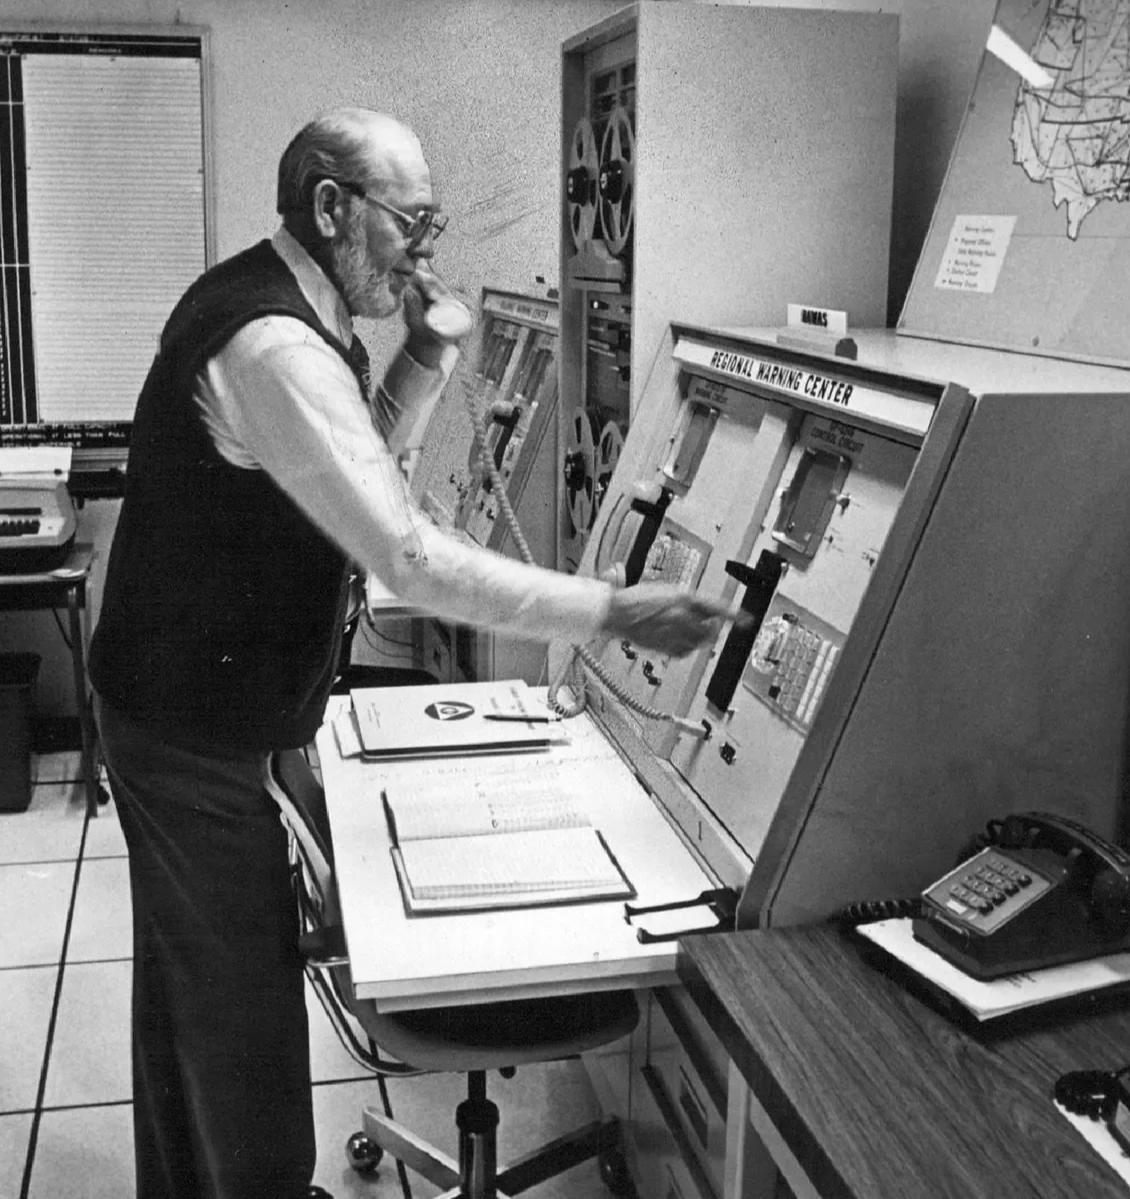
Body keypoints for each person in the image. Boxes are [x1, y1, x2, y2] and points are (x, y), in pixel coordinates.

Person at [87, 107, 737, 1199]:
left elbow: (350, 476)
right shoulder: (274, 343)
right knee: (237, 1010)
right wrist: (612, 609)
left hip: (184, 706)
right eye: (412, 220)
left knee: (189, 988)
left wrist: (429, 351)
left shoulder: (295, 308)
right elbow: (404, 551)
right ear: (331, 206)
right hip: (190, 726)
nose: (424, 247)